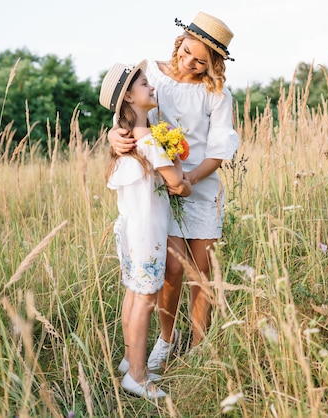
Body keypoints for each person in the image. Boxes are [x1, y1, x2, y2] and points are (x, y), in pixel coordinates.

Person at [108, 11, 239, 371]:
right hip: (163, 184)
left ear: (214, 63)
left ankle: (199, 345)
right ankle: (167, 339)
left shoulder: (217, 95)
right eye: (186, 53)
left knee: (201, 271)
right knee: (171, 270)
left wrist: (191, 180)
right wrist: (113, 136)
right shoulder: (154, 77)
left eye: (201, 61)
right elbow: (130, 115)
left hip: (199, 184)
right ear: (180, 42)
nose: (190, 63)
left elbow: (218, 150)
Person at [100, 60, 191, 398]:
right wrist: (176, 157)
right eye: (142, 84)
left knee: (135, 294)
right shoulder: (147, 140)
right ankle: (137, 376)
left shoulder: (126, 138)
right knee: (145, 299)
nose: (150, 86)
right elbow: (176, 180)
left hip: (131, 227)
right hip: (147, 231)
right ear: (128, 98)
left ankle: (129, 360)